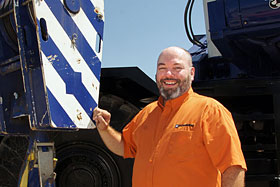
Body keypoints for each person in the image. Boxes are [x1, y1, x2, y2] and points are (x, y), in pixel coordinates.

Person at [93, 46, 247, 187]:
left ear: (191, 73)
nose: (168, 74)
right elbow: (124, 146)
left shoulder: (210, 111)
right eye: (162, 68)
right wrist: (104, 129)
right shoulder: (146, 114)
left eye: (177, 68)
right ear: (156, 74)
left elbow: (233, 167)